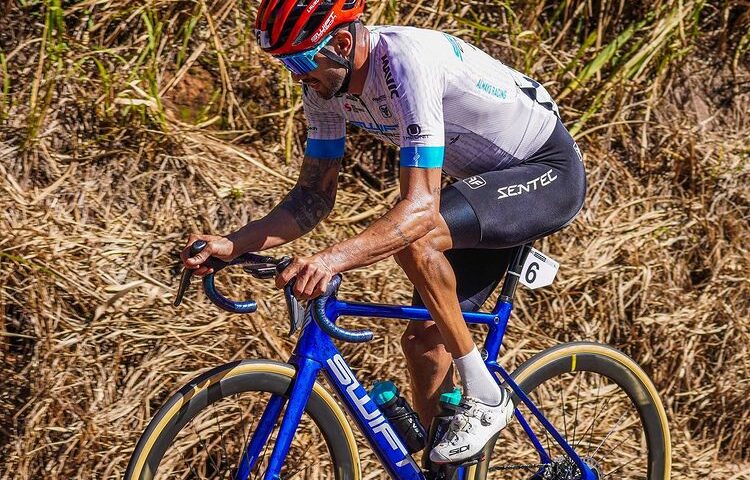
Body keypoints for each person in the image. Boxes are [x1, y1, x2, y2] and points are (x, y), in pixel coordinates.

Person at [180, 0, 586, 465]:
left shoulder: (405, 62)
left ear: (343, 42)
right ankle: (441, 472)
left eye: (299, 60)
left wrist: (331, 259)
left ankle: (485, 393)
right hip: (481, 188)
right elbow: (313, 197)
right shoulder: (324, 86)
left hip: (545, 172)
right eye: (285, 63)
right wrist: (235, 244)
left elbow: (418, 209)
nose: (295, 76)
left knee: (418, 236)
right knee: (422, 343)